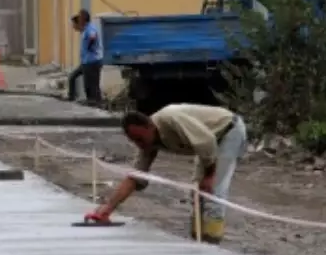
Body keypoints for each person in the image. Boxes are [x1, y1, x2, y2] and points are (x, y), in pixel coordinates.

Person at [85, 104, 248, 244]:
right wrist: (108, 208)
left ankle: (212, 244)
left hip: (228, 132)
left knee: (213, 191)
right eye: (134, 141)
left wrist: (209, 175)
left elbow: (207, 142)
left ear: (150, 126)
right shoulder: (147, 143)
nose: (139, 144)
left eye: (140, 139)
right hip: (207, 144)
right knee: (197, 192)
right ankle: (198, 241)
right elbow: (136, 177)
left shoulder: (171, 119)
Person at [66, 9, 103, 105]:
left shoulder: (90, 28)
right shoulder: (85, 29)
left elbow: (93, 36)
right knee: (74, 77)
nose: (79, 19)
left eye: (80, 17)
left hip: (92, 62)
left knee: (92, 85)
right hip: (86, 62)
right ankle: (73, 97)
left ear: (84, 19)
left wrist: (89, 47)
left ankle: (95, 102)